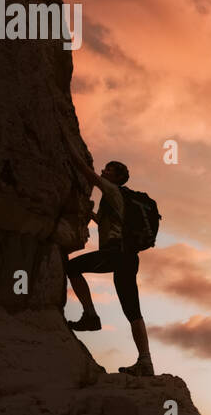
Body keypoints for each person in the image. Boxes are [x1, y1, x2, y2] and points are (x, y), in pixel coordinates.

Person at [61, 129, 154, 377]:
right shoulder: (113, 201)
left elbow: (85, 172)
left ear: (116, 177)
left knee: (71, 267)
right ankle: (146, 362)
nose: (103, 171)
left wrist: (65, 142)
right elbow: (102, 222)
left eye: (108, 169)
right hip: (128, 258)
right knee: (132, 310)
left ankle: (91, 316)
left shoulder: (112, 191)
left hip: (116, 255)